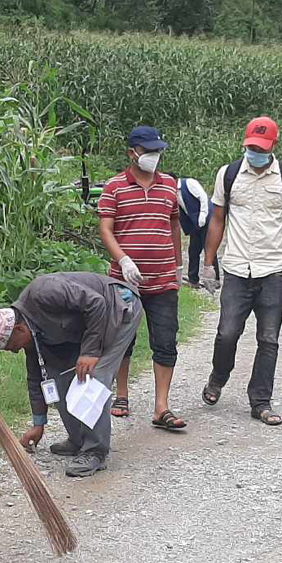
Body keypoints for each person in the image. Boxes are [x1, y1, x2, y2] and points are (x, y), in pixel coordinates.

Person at [199, 116, 282, 426]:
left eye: (261, 147)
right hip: (237, 268)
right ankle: (218, 377)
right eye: (251, 146)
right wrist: (208, 263)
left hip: (272, 270)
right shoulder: (229, 174)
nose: (255, 152)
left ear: (273, 146)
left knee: (269, 339)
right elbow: (217, 219)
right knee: (227, 333)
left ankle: (260, 401)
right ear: (245, 143)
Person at [0, 272, 143, 478]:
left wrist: (90, 352)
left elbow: (96, 303)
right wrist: (39, 424)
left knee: (93, 377)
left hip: (119, 309)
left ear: (20, 329)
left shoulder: (44, 292)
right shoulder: (32, 334)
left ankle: (95, 451)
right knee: (59, 378)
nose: (13, 351)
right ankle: (78, 440)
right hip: (90, 325)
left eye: (11, 346)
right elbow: (37, 378)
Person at [98, 125, 187, 430]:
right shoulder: (115, 187)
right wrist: (122, 259)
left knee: (165, 341)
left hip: (163, 280)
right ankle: (121, 394)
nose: (153, 156)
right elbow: (106, 230)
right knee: (122, 340)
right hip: (124, 281)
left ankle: (161, 406)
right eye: (148, 151)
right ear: (132, 153)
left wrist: (177, 265)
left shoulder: (168, 185)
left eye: (157, 151)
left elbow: (174, 224)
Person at [175, 174, 219, 288]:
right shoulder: (173, 192)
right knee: (193, 251)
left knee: (209, 249)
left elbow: (203, 197)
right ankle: (193, 280)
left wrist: (203, 215)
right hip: (195, 223)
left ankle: (215, 279)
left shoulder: (189, 183)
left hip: (206, 219)